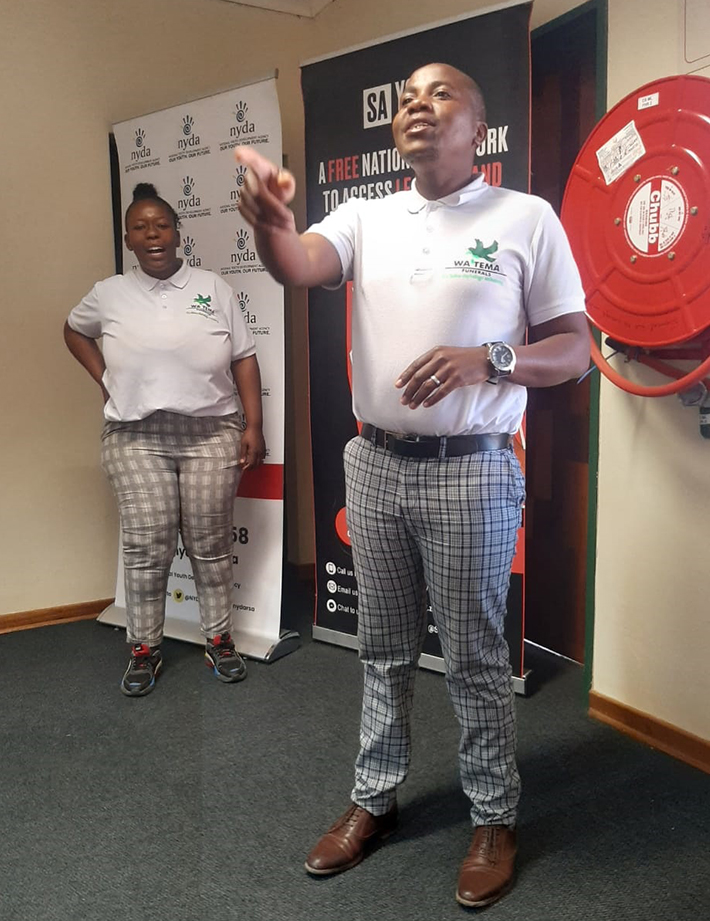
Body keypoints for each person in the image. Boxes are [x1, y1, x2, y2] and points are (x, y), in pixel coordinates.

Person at [236, 62, 589, 908]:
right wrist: (272, 225)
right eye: (405, 99)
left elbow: (576, 348)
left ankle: (493, 816)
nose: (417, 106)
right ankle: (375, 798)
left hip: (472, 467)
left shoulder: (525, 217)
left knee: (473, 657)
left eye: (439, 95)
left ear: (478, 127)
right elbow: (299, 263)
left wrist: (490, 359)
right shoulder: (366, 215)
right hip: (376, 462)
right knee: (383, 649)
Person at [65, 182, 265, 697]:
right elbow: (73, 330)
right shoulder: (108, 293)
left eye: (161, 225)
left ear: (177, 232)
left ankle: (219, 639)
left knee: (210, 543)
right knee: (147, 545)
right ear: (128, 239)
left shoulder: (212, 287)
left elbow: (244, 357)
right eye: (140, 227)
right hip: (136, 435)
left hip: (211, 433)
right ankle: (144, 648)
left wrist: (254, 425)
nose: (152, 234)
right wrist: (104, 377)